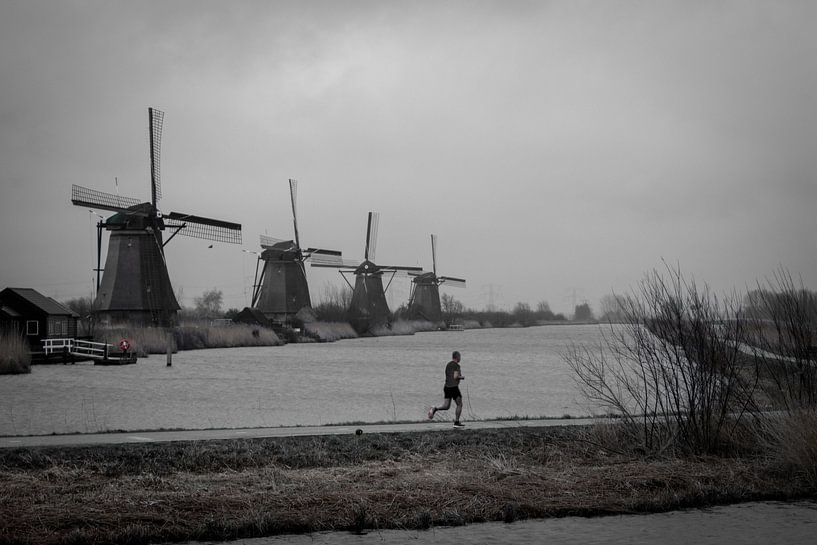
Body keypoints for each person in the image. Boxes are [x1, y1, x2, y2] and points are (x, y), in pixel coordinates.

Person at [427, 350, 466, 427]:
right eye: (460, 357)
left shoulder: (448, 364)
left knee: (446, 406)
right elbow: (455, 377)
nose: (460, 358)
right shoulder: (456, 365)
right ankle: (456, 422)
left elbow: (449, 375)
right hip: (453, 387)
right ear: (457, 357)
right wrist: (462, 377)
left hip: (447, 387)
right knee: (459, 404)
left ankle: (434, 408)